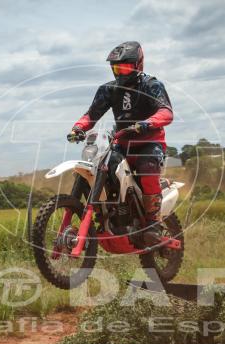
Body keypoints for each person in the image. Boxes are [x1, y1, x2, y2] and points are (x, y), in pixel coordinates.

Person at [67, 41, 173, 244]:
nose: (121, 73)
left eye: (125, 67)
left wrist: (148, 123)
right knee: (101, 168)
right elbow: (91, 115)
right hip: (122, 144)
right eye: (117, 68)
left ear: (138, 64)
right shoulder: (108, 89)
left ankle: (153, 223)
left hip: (149, 142)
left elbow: (166, 112)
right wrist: (78, 128)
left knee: (147, 166)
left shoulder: (151, 85)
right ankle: (108, 213)